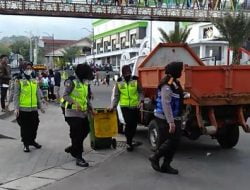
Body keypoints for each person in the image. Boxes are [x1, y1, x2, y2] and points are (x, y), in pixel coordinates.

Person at [149, 62, 184, 175]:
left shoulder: (175, 83)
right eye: (180, 70)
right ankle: (156, 157)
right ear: (175, 71)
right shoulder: (167, 85)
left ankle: (166, 164)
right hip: (164, 118)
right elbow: (166, 103)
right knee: (169, 141)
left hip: (175, 116)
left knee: (175, 141)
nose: (181, 72)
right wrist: (171, 122)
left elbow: (177, 96)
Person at [63, 63, 95, 167]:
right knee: (78, 134)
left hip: (83, 112)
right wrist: (74, 102)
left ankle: (73, 148)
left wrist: (91, 108)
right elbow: (65, 95)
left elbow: (86, 98)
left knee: (86, 130)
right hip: (72, 113)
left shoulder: (85, 83)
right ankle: (79, 157)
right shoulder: (71, 81)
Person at [110, 65, 144, 151]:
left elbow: (140, 92)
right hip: (124, 106)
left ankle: (130, 139)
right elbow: (117, 96)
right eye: (125, 74)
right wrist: (113, 106)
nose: (127, 75)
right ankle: (129, 142)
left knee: (134, 124)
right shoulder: (119, 82)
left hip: (135, 106)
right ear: (123, 74)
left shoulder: (136, 80)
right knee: (129, 123)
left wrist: (141, 101)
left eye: (128, 73)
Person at [13, 63, 45, 153]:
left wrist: (40, 106)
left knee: (35, 125)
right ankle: (26, 144)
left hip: (33, 108)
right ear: (23, 69)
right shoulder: (18, 79)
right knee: (25, 127)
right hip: (23, 108)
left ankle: (32, 141)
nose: (29, 70)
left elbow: (37, 92)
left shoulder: (34, 78)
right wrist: (16, 108)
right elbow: (16, 94)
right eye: (27, 68)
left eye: (30, 68)